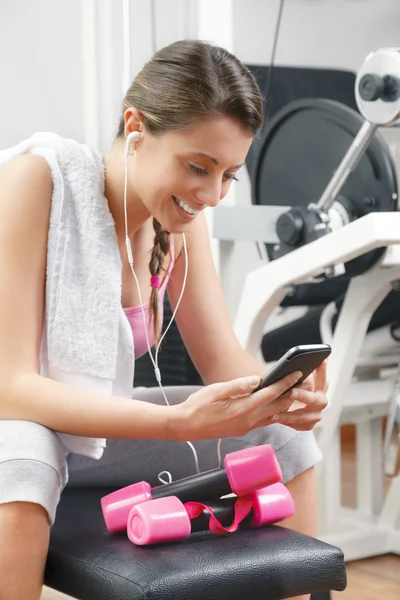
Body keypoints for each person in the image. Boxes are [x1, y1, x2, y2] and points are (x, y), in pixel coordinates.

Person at [0, 39, 328, 600]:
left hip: (96, 440)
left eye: (228, 174)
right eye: (198, 166)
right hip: (17, 424)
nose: (211, 194)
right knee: (25, 455)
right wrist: (176, 424)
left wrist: (279, 396)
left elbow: (223, 360)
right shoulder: (37, 181)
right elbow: (9, 388)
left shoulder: (180, 222)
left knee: (279, 440)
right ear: (136, 127)